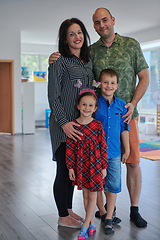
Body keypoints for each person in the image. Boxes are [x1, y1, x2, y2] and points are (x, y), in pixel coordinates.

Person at [49, 7, 149, 228]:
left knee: (131, 162)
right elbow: (58, 89)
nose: (101, 25)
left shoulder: (126, 46)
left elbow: (144, 77)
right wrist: (53, 57)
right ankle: (96, 213)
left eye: (105, 20)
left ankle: (133, 209)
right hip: (87, 121)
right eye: (96, 22)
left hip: (123, 115)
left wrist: (133, 103)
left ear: (113, 20)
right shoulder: (84, 54)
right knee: (84, 166)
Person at [48, 18, 95, 228]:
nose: (77, 37)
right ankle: (62, 216)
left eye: (79, 32)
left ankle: (67, 210)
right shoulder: (58, 61)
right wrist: (65, 123)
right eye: (71, 34)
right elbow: (53, 97)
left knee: (71, 170)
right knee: (62, 169)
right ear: (65, 40)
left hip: (79, 126)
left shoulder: (88, 62)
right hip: (62, 125)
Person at [66, 89, 108, 239]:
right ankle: (90, 223)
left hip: (95, 165)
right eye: (84, 104)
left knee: (93, 196)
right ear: (78, 105)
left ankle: (84, 227)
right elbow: (70, 148)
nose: (87, 108)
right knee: (84, 195)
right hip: (81, 166)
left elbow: (103, 147)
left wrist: (104, 166)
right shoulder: (73, 126)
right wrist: (70, 166)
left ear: (95, 108)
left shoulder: (97, 126)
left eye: (90, 105)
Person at [94, 68, 130, 235]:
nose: (109, 85)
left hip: (114, 153)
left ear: (117, 86)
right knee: (97, 185)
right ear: (100, 84)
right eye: (105, 82)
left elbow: (124, 128)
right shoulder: (94, 103)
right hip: (96, 153)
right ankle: (102, 212)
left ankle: (109, 218)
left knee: (113, 185)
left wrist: (127, 149)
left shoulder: (122, 105)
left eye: (112, 83)